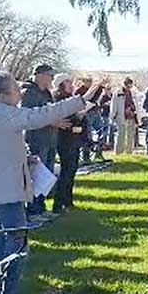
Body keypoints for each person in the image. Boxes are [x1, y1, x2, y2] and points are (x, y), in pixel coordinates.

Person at [0, 71, 85, 294]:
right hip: (3, 196)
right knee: (16, 248)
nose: (19, 93)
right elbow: (39, 116)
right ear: (1, 94)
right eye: (14, 88)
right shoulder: (0, 113)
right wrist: (78, 100)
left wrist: (25, 157)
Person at [20, 64, 58, 218]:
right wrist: (52, 121)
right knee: (36, 177)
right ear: (40, 75)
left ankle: (41, 207)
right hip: (36, 140)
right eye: (50, 75)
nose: (52, 79)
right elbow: (29, 116)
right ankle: (33, 209)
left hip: (50, 140)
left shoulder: (47, 93)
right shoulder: (29, 92)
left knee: (46, 176)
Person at [51, 74, 84, 213]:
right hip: (64, 139)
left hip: (74, 139)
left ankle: (68, 201)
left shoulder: (70, 99)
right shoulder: (59, 100)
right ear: (60, 85)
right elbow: (64, 121)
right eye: (68, 82)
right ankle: (58, 204)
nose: (71, 84)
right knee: (66, 171)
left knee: (72, 170)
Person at [109, 78, 138, 155]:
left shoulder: (133, 93)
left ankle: (129, 152)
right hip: (121, 116)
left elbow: (136, 104)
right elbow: (113, 105)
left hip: (131, 116)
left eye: (130, 86)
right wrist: (112, 116)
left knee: (130, 135)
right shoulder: (118, 93)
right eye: (128, 86)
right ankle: (118, 152)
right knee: (120, 135)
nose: (129, 88)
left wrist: (132, 109)